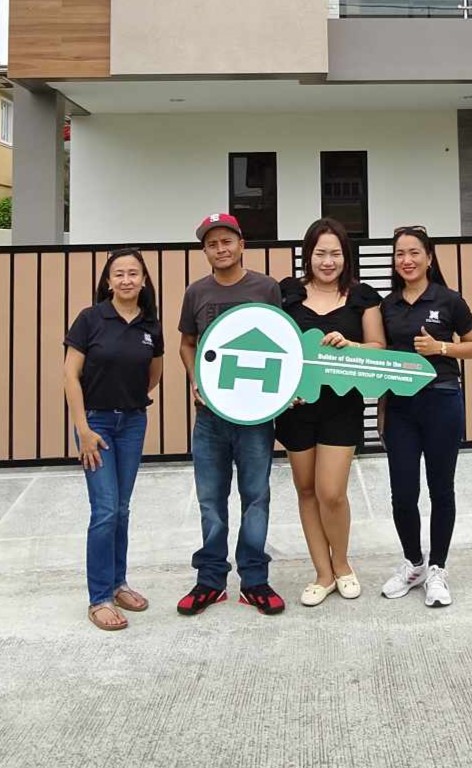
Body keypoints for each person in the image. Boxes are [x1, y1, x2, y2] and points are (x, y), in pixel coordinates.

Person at [177, 213, 285, 616]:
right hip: (210, 417)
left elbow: (282, 343)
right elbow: (187, 343)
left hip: (255, 417)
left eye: (227, 241)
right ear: (205, 251)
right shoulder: (196, 292)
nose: (220, 249)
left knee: (256, 498)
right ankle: (210, 581)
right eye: (212, 244)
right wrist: (196, 378)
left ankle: (254, 580)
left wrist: (282, 389)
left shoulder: (266, 288)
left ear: (242, 244)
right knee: (210, 500)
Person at [275, 218, 385, 606]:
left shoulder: (362, 296)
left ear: (346, 256)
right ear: (308, 255)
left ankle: (342, 564)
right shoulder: (287, 293)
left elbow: (378, 347)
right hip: (296, 409)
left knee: (331, 492)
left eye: (335, 253)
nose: (327, 261)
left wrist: (351, 344)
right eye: (320, 253)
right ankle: (322, 573)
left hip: (343, 406)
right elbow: (276, 346)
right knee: (306, 490)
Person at [379, 226, 472, 608]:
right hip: (401, 408)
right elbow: (379, 353)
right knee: (403, 493)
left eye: (414, 252)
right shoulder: (387, 305)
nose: (406, 260)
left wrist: (440, 347)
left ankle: (438, 568)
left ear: (428, 257)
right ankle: (414, 564)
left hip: (442, 401)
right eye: (400, 254)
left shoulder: (449, 299)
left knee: (441, 489)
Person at [64, 248, 164, 631]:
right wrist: (84, 429)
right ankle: (100, 598)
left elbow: (153, 375)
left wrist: (129, 399)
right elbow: (70, 375)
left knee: (121, 508)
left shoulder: (150, 326)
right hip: (96, 425)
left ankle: (119, 583)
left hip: (133, 423)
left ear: (143, 280)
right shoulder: (90, 319)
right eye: (118, 274)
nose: (126, 280)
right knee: (105, 509)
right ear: (108, 281)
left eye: (133, 273)